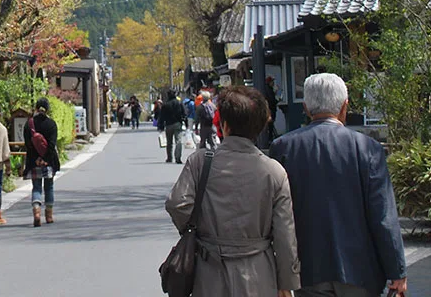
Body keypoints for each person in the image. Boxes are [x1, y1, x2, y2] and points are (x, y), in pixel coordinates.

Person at [269, 73, 407, 297]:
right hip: (360, 271)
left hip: (306, 269)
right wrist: (397, 271)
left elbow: (276, 214)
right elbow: (383, 216)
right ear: (345, 106)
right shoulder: (368, 148)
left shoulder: (283, 148)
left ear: (305, 108)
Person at [166, 86, 300, 297]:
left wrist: (197, 229)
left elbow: (177, 204)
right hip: (258, 272)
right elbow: (285, 234)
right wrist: (286, 283)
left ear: (224, 125)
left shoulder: (201, 162)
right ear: (260, 126)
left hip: (209, 269)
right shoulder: (274, 172)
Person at [22, 97, 61, 227]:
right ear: (47, 109)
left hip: (34, 162)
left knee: (36, 187)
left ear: (36, 108)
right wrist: (45, 159)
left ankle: (36, 212)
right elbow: (51, 145)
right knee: (49, 187)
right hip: (48, 162)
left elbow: (28, 144)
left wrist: (37, 159)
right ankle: (49, 216)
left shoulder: (29, 124)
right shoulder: (51, 124)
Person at [161, 90, 187, 164]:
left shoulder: (165, 104)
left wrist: (161, 126)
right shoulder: (179, 103)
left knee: (169, 142)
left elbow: (162, 116)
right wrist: (185, 123)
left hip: (168, 124)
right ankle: (178, 158)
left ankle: (169, 157)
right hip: (178, 123)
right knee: (178, 141)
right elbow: (184, 113)